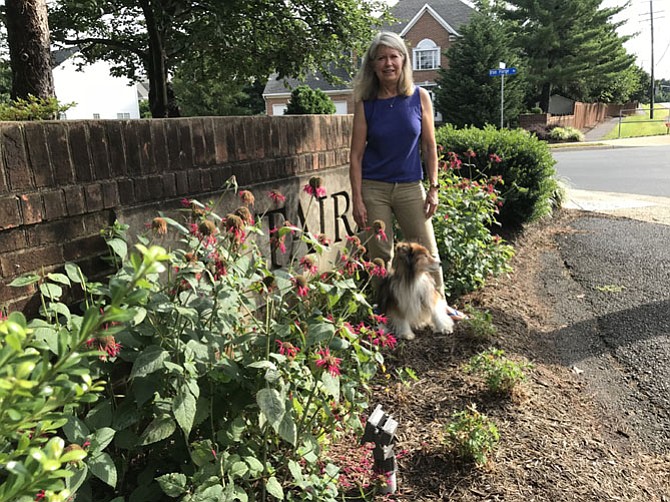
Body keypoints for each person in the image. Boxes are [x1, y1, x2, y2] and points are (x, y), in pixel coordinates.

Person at [349, 31, 465, 321]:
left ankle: (440, 306)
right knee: (380, 254)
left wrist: (434, 188)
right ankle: (385, 312)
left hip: (411, 187)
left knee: (426, 250)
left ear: (403, 60)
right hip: (374, 188)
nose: (388, 63)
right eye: (381, 58)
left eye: (393, 56)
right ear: (373, 65)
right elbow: (356, 155)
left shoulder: (419, 97)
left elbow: (429, 145)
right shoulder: (366, 103)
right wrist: (357, 199)